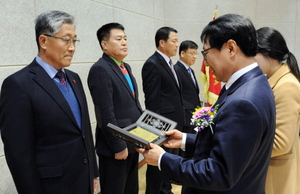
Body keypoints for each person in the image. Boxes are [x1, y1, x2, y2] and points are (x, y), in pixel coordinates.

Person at [137, 14, 276, 194]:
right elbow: (232, 146)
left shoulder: (243, 102)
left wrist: (163, 159)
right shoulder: (255, 83)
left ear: (231, 48)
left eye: (206, 53)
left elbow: (218, 173)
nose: (206, 62)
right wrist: (185, 140)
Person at [0, 10, 99, 194]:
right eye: (66, 39)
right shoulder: (18, 85)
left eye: (74, 40)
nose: (72, 47)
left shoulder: (74, 79)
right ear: (43, 41)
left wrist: (93, 173)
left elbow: (84, 131)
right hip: (52, 187)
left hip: (83, 180)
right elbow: (19, 155)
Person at [87, 23, 143, 194]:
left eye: (125, 38)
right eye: (118, 39)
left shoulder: (125, 67)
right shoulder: (100, 69)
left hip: (133, 141)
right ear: (104, 44)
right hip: (115, 148)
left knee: (131, 189)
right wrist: (118, 145)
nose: (124, 42)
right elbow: (105, 113)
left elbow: (134, 105)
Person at [254, 27, 300, 194]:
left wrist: (243, 149)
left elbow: (280, 144)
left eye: (253, 55)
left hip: (278, 174)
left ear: (269, 55)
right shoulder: (275, 80)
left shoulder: (287, 85)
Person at [142, 26, 184, 194]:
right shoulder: (152, 64)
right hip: (162, 127)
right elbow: (152, 100)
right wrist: (157, 131)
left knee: (166, 163)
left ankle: (166, 190)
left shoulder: (169, 63)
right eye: (173, 41)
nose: (177, 45)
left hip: (173, 125)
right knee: (156, 166)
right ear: (162, 42)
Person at [174, 40, 201, 136]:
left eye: (196, 53)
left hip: (193, 117)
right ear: (182, 53)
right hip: (185, 118)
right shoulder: (176, 70)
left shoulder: (190, 71)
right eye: (191, 53)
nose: (195, 57)